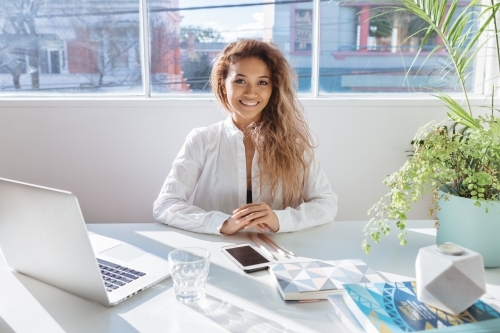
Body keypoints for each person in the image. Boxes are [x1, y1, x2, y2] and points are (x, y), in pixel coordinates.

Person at [153, 39, 337, 235]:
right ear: (223, 85)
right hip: (218, 251)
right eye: (240, 81)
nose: (251, 92)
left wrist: (279, 219)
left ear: (273, 88)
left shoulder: (295, 144)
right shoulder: (201, 140)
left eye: (262, 82)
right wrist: (222, 223)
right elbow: (165, 204)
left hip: (281, 252)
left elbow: (326, 204)